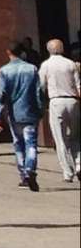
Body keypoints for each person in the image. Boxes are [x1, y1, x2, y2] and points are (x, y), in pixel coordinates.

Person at [0, 41, 44, 191]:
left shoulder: (4, 71)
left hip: (14, 112)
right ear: (22, 52)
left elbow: (1, 94)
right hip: (30, 111)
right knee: (31, 143)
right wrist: (41, 109)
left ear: (8, 52)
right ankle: (30, 170)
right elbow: (38, 92)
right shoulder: (32, 69)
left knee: (18, 143)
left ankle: (23, 174)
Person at [39, 39, 80, 183]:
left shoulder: (46, 65)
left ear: (48, 50)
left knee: (60, 139)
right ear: (62, 49)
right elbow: (78, 85)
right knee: (75, 136)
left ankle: (68, 172)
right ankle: (79, 164)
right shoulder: (70, 63)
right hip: (73, 100)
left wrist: (40, 103)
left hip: (56, 101)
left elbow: (41, 86)